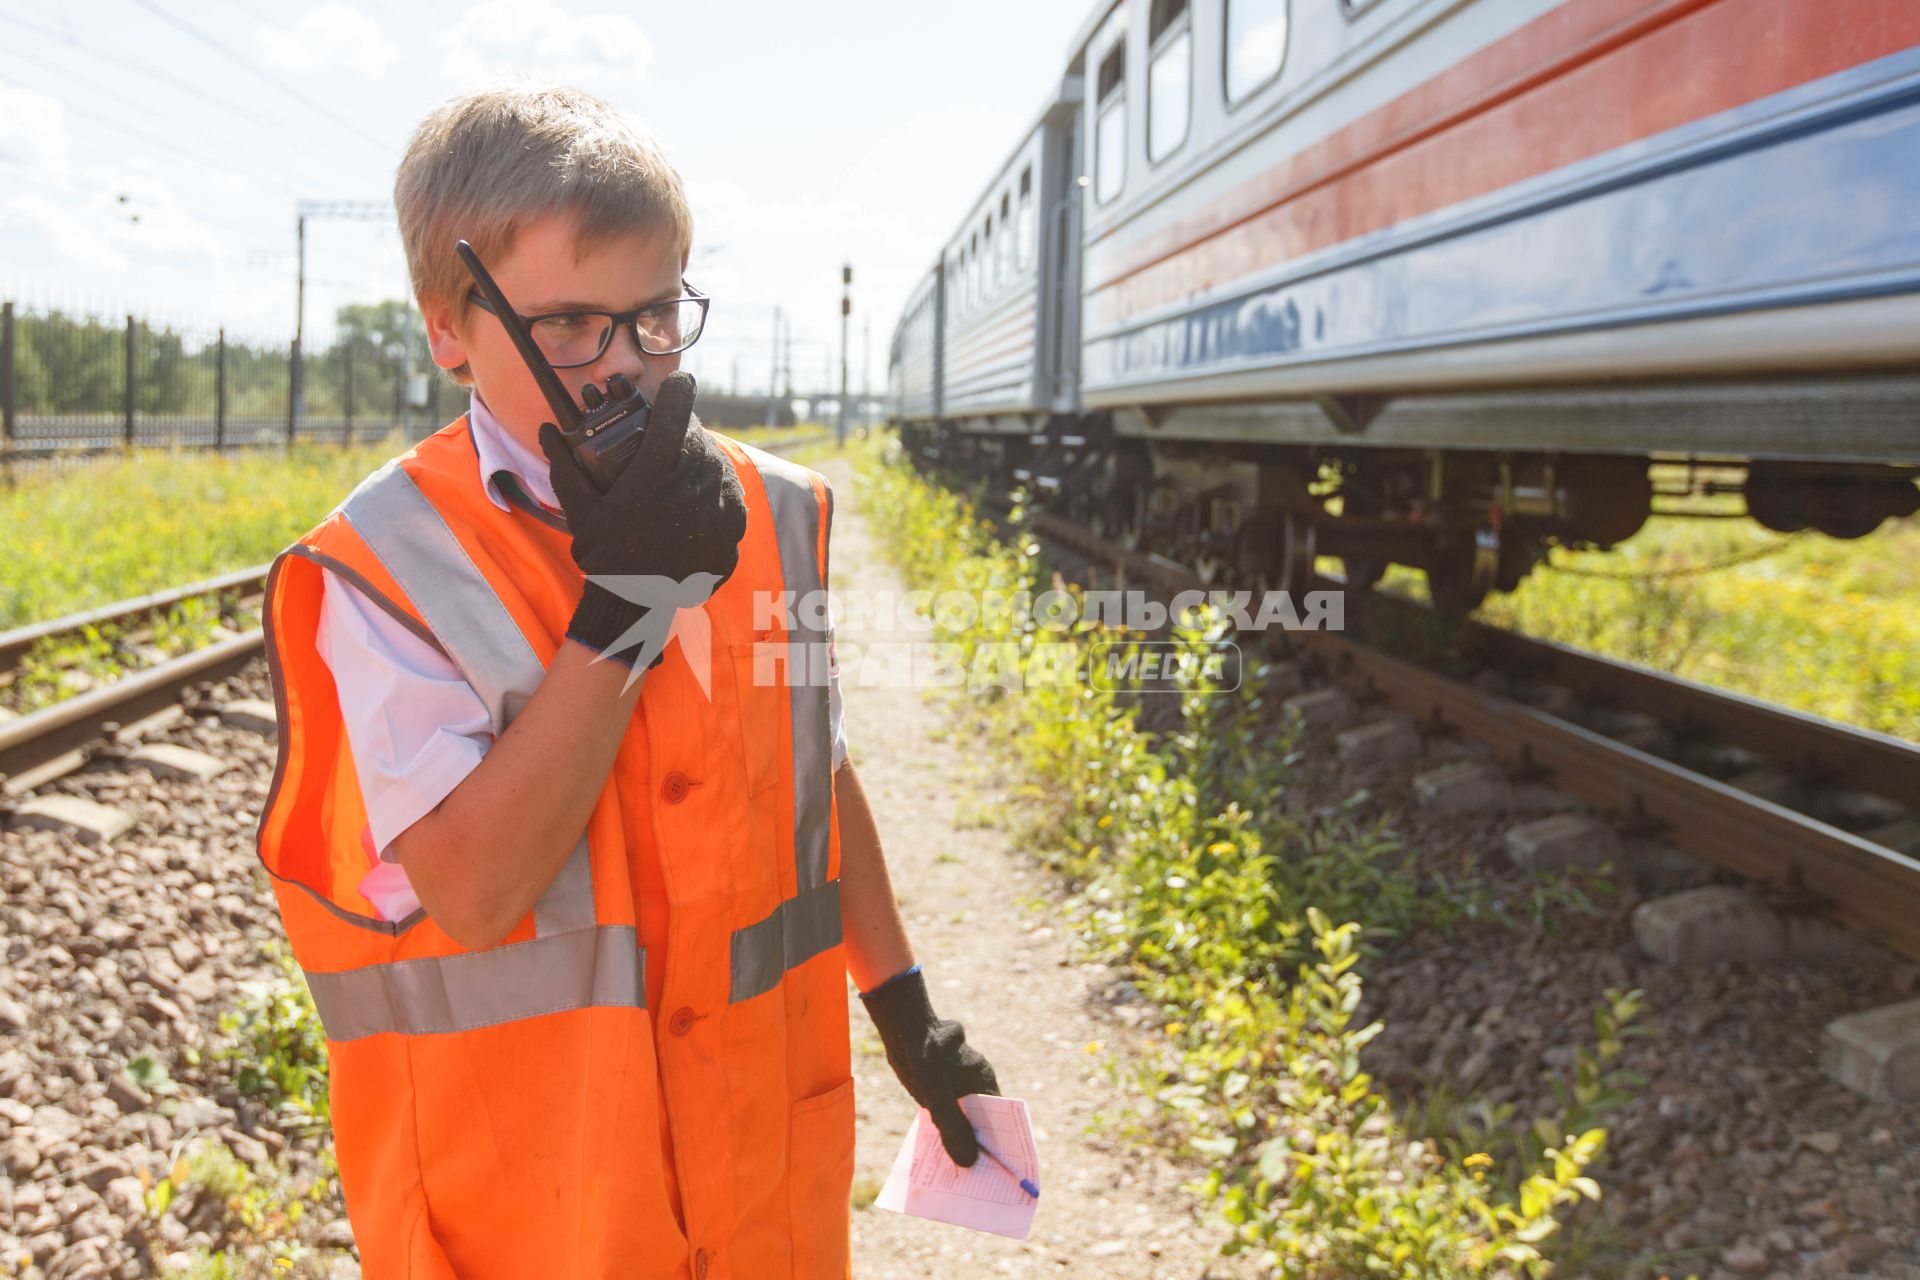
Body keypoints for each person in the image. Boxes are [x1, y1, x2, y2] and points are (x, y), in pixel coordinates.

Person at [252, 83, 1001, 1279]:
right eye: (566, 327)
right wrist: (630, 611)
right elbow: (478, 888)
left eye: (656, 317)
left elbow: (821, 772)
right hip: (538, 1205)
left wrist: (907, 1008)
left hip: (755, 1182)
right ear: (451, 327)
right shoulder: (386, 569)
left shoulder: (772, 510)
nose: (626, 367)